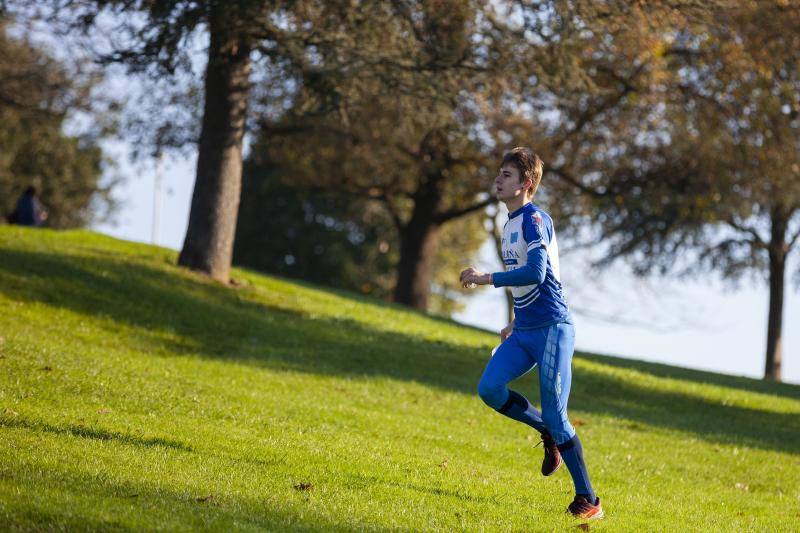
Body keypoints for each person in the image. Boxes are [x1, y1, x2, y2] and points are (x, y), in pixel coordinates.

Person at [460, 147, 603, 520]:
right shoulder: (509, 223)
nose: (498, 178)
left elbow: (537, 273)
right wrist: (514, 319)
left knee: (559, 416)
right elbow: (529, 283)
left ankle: (589, 499)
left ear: (526, 183)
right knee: (489, 389)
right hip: (524, 328)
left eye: (506, 174)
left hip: (554, 329)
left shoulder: (535, 219)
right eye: (499, 172)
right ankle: (549, 433)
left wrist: (485, 278)